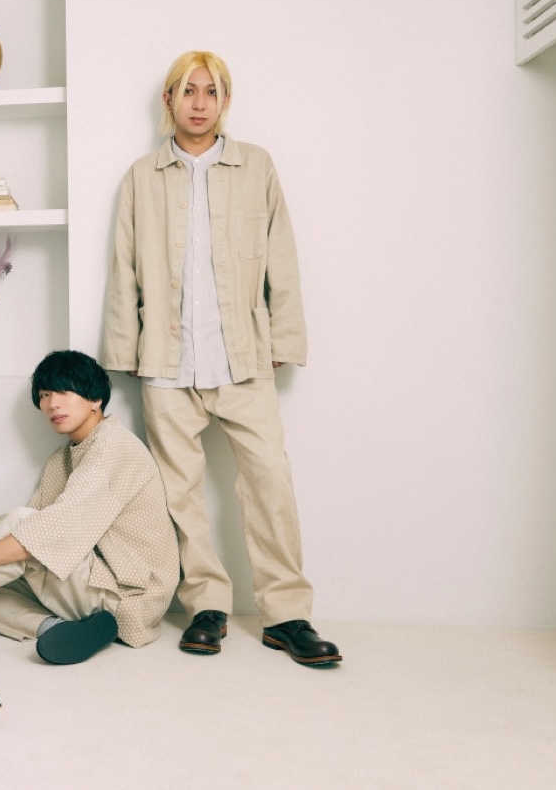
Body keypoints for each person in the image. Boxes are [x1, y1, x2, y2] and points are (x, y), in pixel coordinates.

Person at [101, 50, 342, 666]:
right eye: (188, 91)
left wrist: (283, 340)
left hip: (242, 357)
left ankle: (286, 615)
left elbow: (281, 257)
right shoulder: (142, 176)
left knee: (270, 483)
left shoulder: (256, 166)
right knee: (178, 495)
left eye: (211, 91)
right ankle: (205, 605)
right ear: (169, 100)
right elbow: (123, 267)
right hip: (166, 360)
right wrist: (123, 348)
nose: (200, 103)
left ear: (225, 101)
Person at [0, 350, 179, 665]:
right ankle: (56, 628)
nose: (52, 403)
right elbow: (31, 538)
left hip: (129, 596)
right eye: (44, 395)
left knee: (10, 533)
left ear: (95, 399)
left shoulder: (114, 446)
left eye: (64, 392)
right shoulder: (63, 458)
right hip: (90, 585)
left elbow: (49, 530)